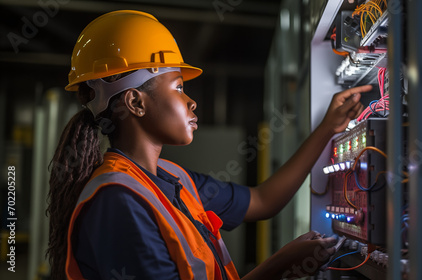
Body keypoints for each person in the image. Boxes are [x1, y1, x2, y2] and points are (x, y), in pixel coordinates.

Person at [46, 10, 372, 280]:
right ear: (135, 101)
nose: (191, 102)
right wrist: (280, 266)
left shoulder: (172, 179)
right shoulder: (118, 201)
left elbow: (262, 200)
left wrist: (328, 128)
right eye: (177, 87)